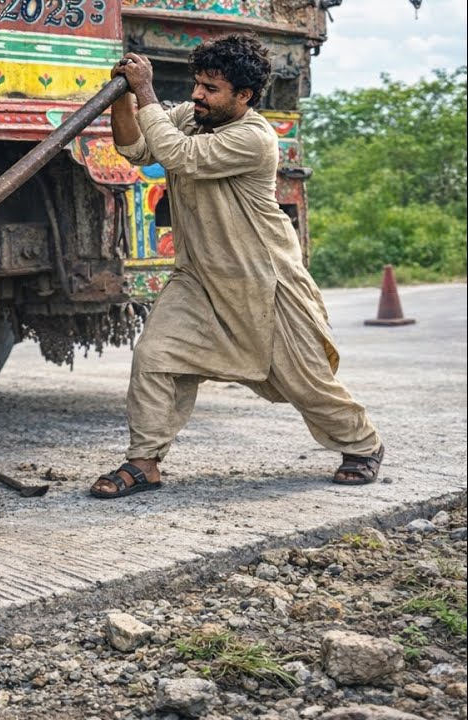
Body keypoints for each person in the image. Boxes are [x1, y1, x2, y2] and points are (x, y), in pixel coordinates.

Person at [91, 34, 385, 499]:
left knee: (305, 382)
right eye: (198, 84)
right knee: (155, 357)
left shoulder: (254, 138)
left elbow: (178, 156)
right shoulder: (191, 118)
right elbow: (137, 149)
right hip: (198, 278)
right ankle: (143, 462)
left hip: (264, 282)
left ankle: (363, 444)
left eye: (211, 88)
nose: (197, 95)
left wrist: (145, 90)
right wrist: (125, 99)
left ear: (243, 96)